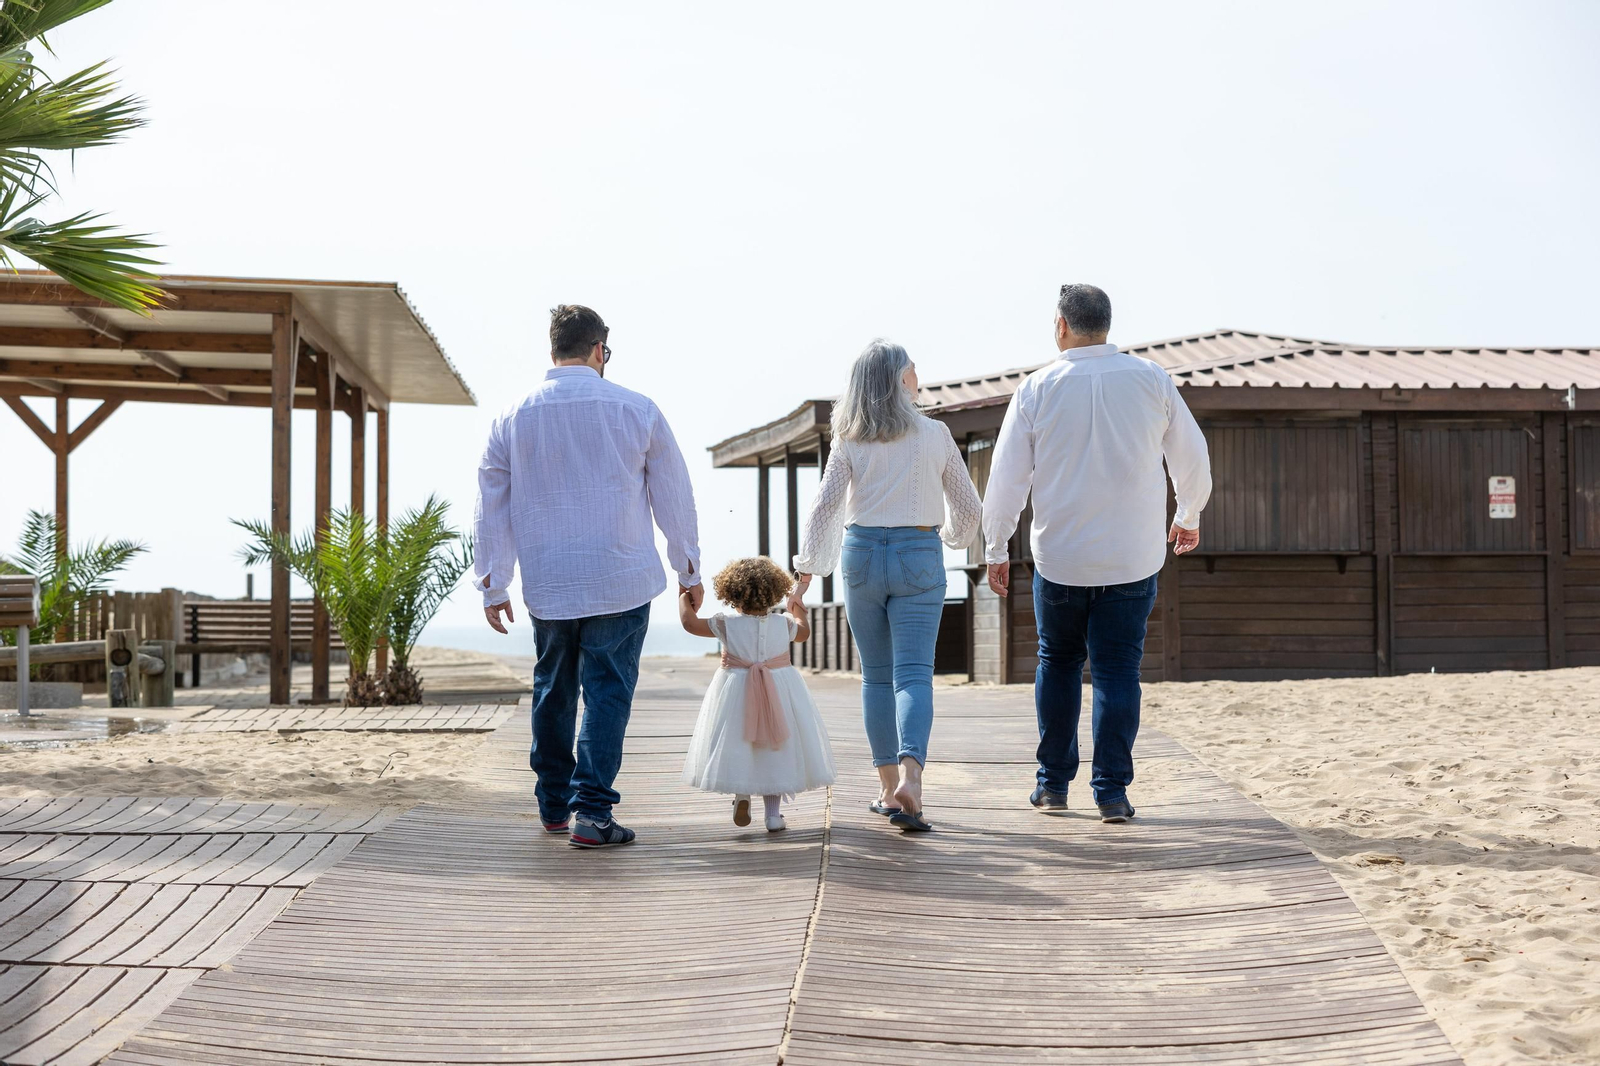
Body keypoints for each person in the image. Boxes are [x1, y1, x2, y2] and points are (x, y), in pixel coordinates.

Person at [473, 304, 703, 850]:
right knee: (607, 691)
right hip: (620, 577)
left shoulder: (512, 416)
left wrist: (494, 583)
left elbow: (491, 504)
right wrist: (688, 568)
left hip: (550, 581)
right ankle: (592, 811)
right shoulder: (637, 409)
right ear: (600, 350)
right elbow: (674, 495)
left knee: (553, 688)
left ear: (553, 349)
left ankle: (554, 805)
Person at [982, 284, 1211, 824]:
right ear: (1107, 325)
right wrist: (1188, 515)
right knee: (1116, 672)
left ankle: (1053, 785)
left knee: (1057, 664)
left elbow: (1007, 477)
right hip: (1132, 556)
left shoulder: (1036, 388)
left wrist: (996, 546)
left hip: (1060, 558)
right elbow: (1192, 455)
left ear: (1061, 326)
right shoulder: (1152, 378)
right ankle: (1111, 793)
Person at [792, 339, 981, 832]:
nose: (920, 373)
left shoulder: (849, 439)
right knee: (914, 675)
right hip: (918, 553)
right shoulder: (935, 433)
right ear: (900, 379)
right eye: (914, 367)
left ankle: (885, 789)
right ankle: (912, 780)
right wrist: (949, 538)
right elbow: (969, 509)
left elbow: (824, 507)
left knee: (876, 677)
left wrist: (806, 571)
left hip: (861, 558)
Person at [679, 557, 836, 832]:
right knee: (776, 747)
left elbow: (690, 624)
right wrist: (798, 610)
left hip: (737, 692)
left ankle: (742, 796)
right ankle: (773, 816)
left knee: (739, 743)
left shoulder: (726, 624)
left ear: (732, 592)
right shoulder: (783, 624)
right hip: (779, 691)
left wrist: (684, 595)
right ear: (774, 591)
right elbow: (803, 633)